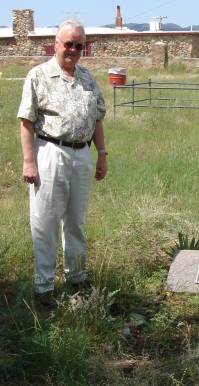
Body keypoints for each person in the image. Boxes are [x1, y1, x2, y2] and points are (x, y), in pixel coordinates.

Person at [17, 19, 107, 308]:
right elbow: (26, 121)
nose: (73, 50)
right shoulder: (39, 75)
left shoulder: (87, 78)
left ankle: (77, 277)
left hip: (81, 154)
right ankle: (43, 287)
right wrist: (29, 161)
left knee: (76, 222)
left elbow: (97, 119)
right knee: (45, 223)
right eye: (68, 44)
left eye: (79, 45)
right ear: (56, 44)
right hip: (50, 152)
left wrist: (102, 154)